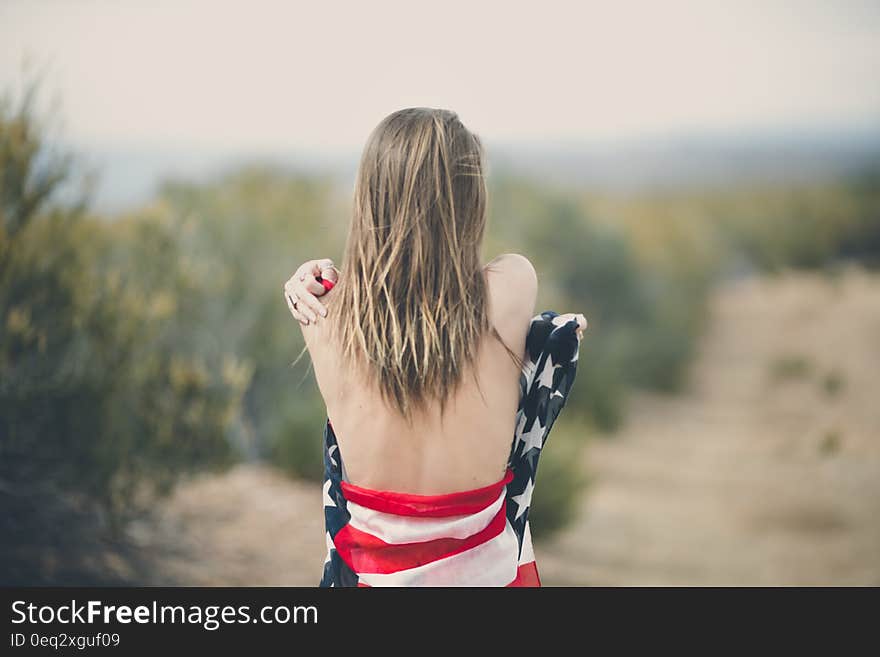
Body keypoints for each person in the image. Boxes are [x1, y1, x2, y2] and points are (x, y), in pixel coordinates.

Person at [283, 108, 587, 586]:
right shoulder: (509, 289)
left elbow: (352, 292)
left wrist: (313, 276)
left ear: (370, 198)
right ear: (467, 202)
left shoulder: (322, 317)